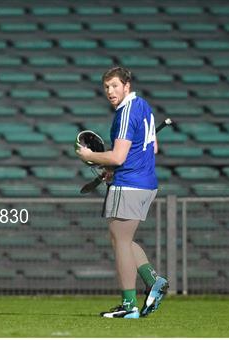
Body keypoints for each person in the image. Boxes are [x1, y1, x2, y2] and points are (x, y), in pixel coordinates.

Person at [76, 66, 168, 319]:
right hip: (145, 181)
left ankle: (130, 306)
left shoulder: (126, 111)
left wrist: (90, 156)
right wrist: (114, 168)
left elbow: (117, 156)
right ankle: (153, 281)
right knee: (121, 240)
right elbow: (153, 148)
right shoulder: (143, 106)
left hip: (130, 184)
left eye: (115, 86)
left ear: (126, 85)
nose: (110, 91)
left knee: (121, 242)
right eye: (106, 87)